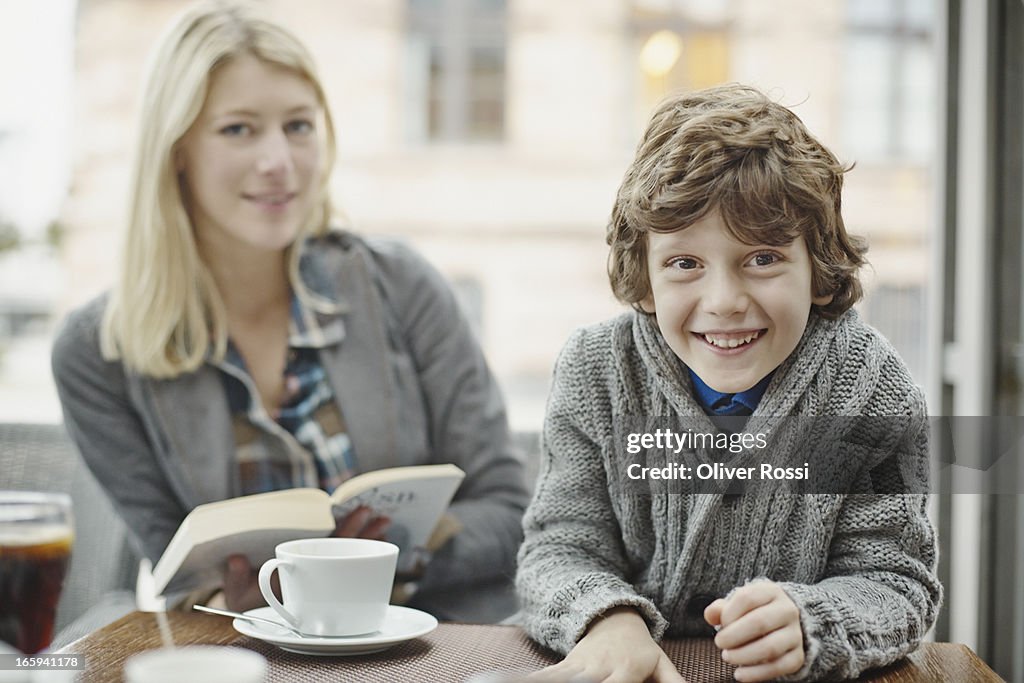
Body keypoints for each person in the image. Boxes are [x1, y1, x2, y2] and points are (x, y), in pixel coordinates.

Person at [51, 0, 527, 622]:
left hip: (438, 642)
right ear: (177, 152)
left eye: (298, 126)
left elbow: (510, 508)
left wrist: (396, 553)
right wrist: (224, 599)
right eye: (239, 129)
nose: (279, 162)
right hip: (259, 653)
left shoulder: (400, 285)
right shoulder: (98, 353)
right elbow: (173, 566)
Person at [515, 84, 941, 682]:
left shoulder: (873, 390)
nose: (724, 302)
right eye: (685, 264)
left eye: (762, 257)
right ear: (644, 280)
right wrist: (606, 620)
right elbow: (559, 546)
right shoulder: (595, 369)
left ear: (817, 270)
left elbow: (896, 582)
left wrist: (812, 619)